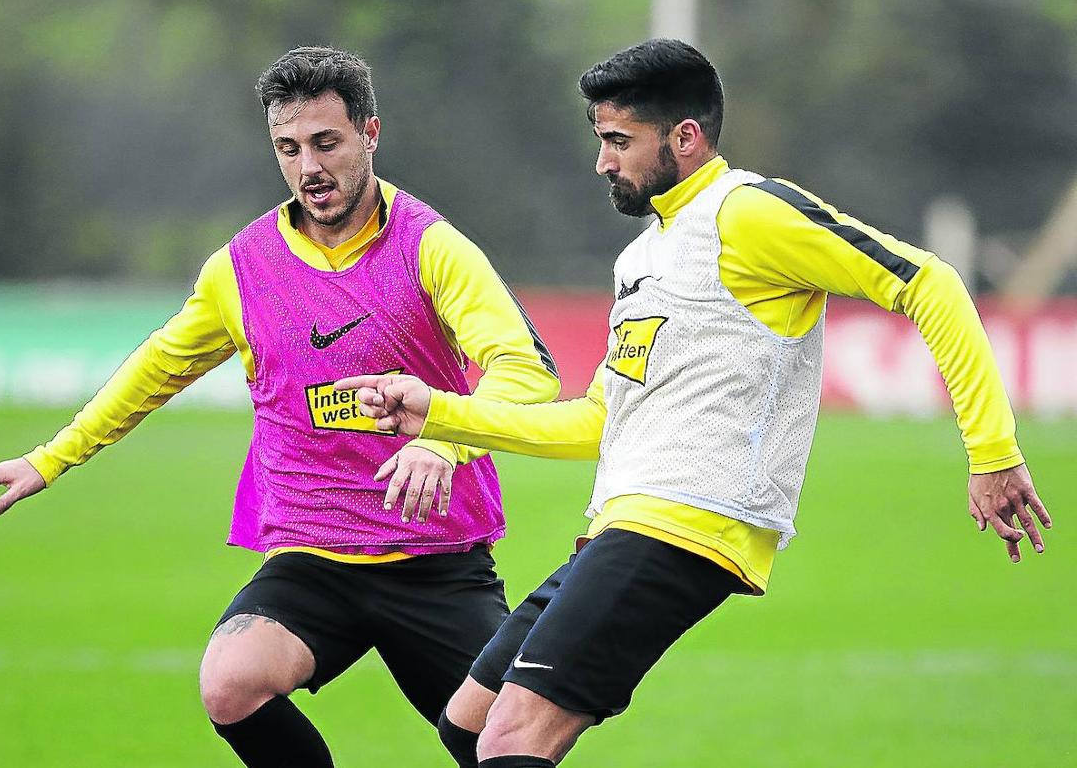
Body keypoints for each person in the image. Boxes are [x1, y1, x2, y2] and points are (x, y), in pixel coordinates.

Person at [337, 39, 1052, 768]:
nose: (602, 162)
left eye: (619, 141)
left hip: (691, 521)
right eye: (600, 140)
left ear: (685, 136)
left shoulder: (748, 212)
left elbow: (928, 283)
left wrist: (993, 452)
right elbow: (600, 424)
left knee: (512, 738)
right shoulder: (642, 257)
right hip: (625, 522)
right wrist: (439, 411)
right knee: (467, 723)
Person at [0, 46, 560, 767]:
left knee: (497, 745)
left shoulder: (432, 248)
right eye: (288, 148)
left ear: (371, 133)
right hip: (313, 554)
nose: (309, 168)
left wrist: (441, 440)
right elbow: (157, 368)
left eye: (327, 142)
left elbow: (528, 371)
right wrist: (51, 458)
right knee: (230, 683)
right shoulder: (242, 268)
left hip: (435, 556)